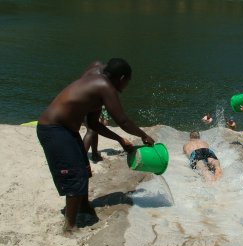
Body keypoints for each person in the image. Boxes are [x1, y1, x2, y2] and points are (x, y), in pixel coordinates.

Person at [37, 58, 155, 235]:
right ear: (122, 78)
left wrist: (120, 140)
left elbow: (93, 123)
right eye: (127, 82)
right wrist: (143, 135)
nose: (126, 86)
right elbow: (122, 120)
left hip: (67, 130)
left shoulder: (96, 74)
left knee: (84, 169)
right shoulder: (104, 86)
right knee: (74, 174)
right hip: (54, 130)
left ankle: (84, 206)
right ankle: (69, 226)